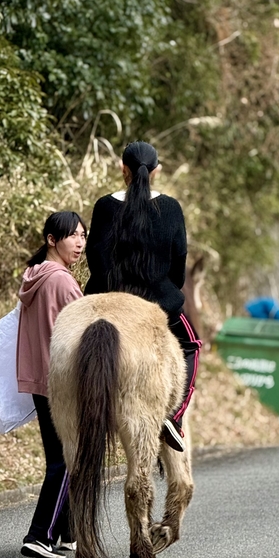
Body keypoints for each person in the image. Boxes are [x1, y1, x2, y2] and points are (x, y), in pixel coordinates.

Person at [84, 141, 201, 452]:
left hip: (109, 302)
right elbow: (178, 267)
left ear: (122, 169)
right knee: (192, 344)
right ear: (156, 171)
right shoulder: (171, 209)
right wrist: (162, 289)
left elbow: (95, 262)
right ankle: (174, 417)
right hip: (156, 304)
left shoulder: (104, 206)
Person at [16, 211, 86, 558]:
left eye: (83, 236)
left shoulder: (35, 277)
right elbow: (84, 333)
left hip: (38, 379)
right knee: (65, 460)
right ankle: (40, 535)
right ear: (51, 240)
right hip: (60, 381)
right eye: (72, 235)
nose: (79, 243)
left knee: (62, 457)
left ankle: (64, 533)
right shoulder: (61, 282)